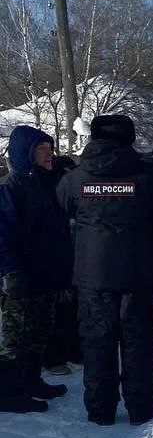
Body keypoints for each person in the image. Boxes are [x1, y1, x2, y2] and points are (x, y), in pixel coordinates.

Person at [57, 115, 153, 426]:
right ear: (129, 138)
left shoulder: (78, 178)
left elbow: (58, 212)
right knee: (138, 340)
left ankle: (100, 410)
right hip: (140, 276)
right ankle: (140, 407)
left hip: (93, 278)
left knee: (97, 342)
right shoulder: (149, 175)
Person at [0, 125, 75, 413]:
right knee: (15, 338)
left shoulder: (47, 183)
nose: (49, 155)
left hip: (47, 274)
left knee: (39, 332)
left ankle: (31, 381)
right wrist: (11, 271)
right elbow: (3, 234)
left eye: (50, 149)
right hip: (21, 276)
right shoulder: (11, 187)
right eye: (42, 150)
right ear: (26, 153)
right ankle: (7, 391)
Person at [43, 153, 82, 375]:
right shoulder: (50, 192)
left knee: (72, 306)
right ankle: (57, 355)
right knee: (61, 309)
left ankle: (73, 350)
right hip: (57, 260)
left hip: (72, 258)